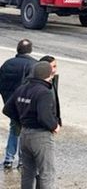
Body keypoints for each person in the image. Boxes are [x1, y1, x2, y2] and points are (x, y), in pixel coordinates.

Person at [2, 61, 59, 189]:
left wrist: (22, 120)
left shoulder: (22, 88)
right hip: (41, 136)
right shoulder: (44, 92)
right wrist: (54, 125)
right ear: (48, 75)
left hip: (25, 134)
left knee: (27, 173)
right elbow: (44, 116)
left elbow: (7, 109)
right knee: (47, 172)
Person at [0, 39, 37, 170]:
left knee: (14, 129)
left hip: (10, 104)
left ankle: (9, 159)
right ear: (30, 50)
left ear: (18, 49)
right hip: (25, 105)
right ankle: (22, 161)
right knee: (25, 131)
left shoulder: (7, 64)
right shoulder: (34, 65)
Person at [38, 56, 61, 128]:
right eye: (51, 67)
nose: (54, 70)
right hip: (41, 129)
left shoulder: (51, 81)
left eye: (55, 66)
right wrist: (53, 125)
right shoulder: (37, 86)